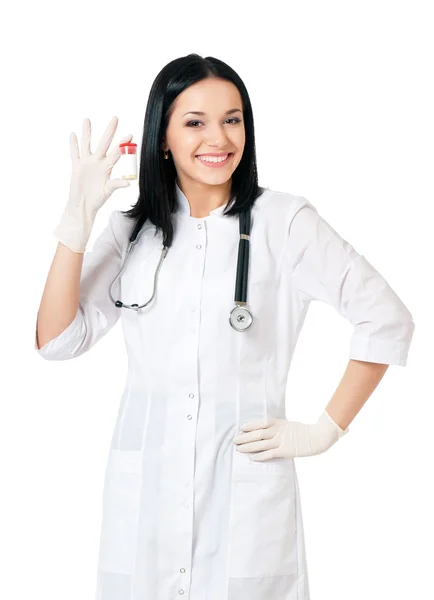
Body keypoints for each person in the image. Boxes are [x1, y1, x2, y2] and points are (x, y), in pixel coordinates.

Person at [34, 54, 415, 600]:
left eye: (232, 119)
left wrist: (324, 431)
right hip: (147, 501)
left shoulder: (284, 222)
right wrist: (75, 224)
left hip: (245, 501)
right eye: (195, 122)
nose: (219, 137)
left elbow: (386, 317)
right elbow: (57, 340)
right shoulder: (129, 233)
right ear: (161, 137)